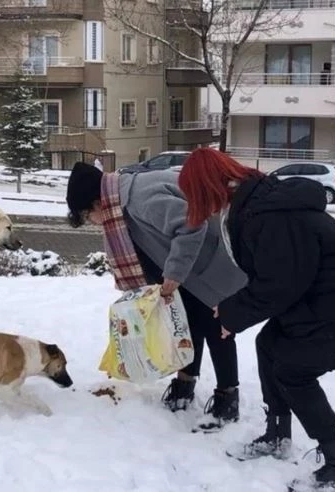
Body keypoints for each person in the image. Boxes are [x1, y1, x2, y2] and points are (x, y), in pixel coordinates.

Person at [177, 148, 335, 489]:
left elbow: (280, 284)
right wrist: (230, 308)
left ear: (207, 186)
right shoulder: (256, 204)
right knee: (269, 344)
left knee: (293, 369)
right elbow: (276, 274)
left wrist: (231, 314)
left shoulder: (266, 215)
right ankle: (277, 435)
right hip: (324, 296)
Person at [66, 162, 247, 432]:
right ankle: (185, 383)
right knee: (186, 325)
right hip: (191, 271)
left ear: (97, 204)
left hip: (212, 266)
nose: (93, 224)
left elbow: (191, 227)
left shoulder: (139, 199)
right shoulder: (121, 198)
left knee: (217, 330)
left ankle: (227, 398)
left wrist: (173, 274)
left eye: (87, 217)